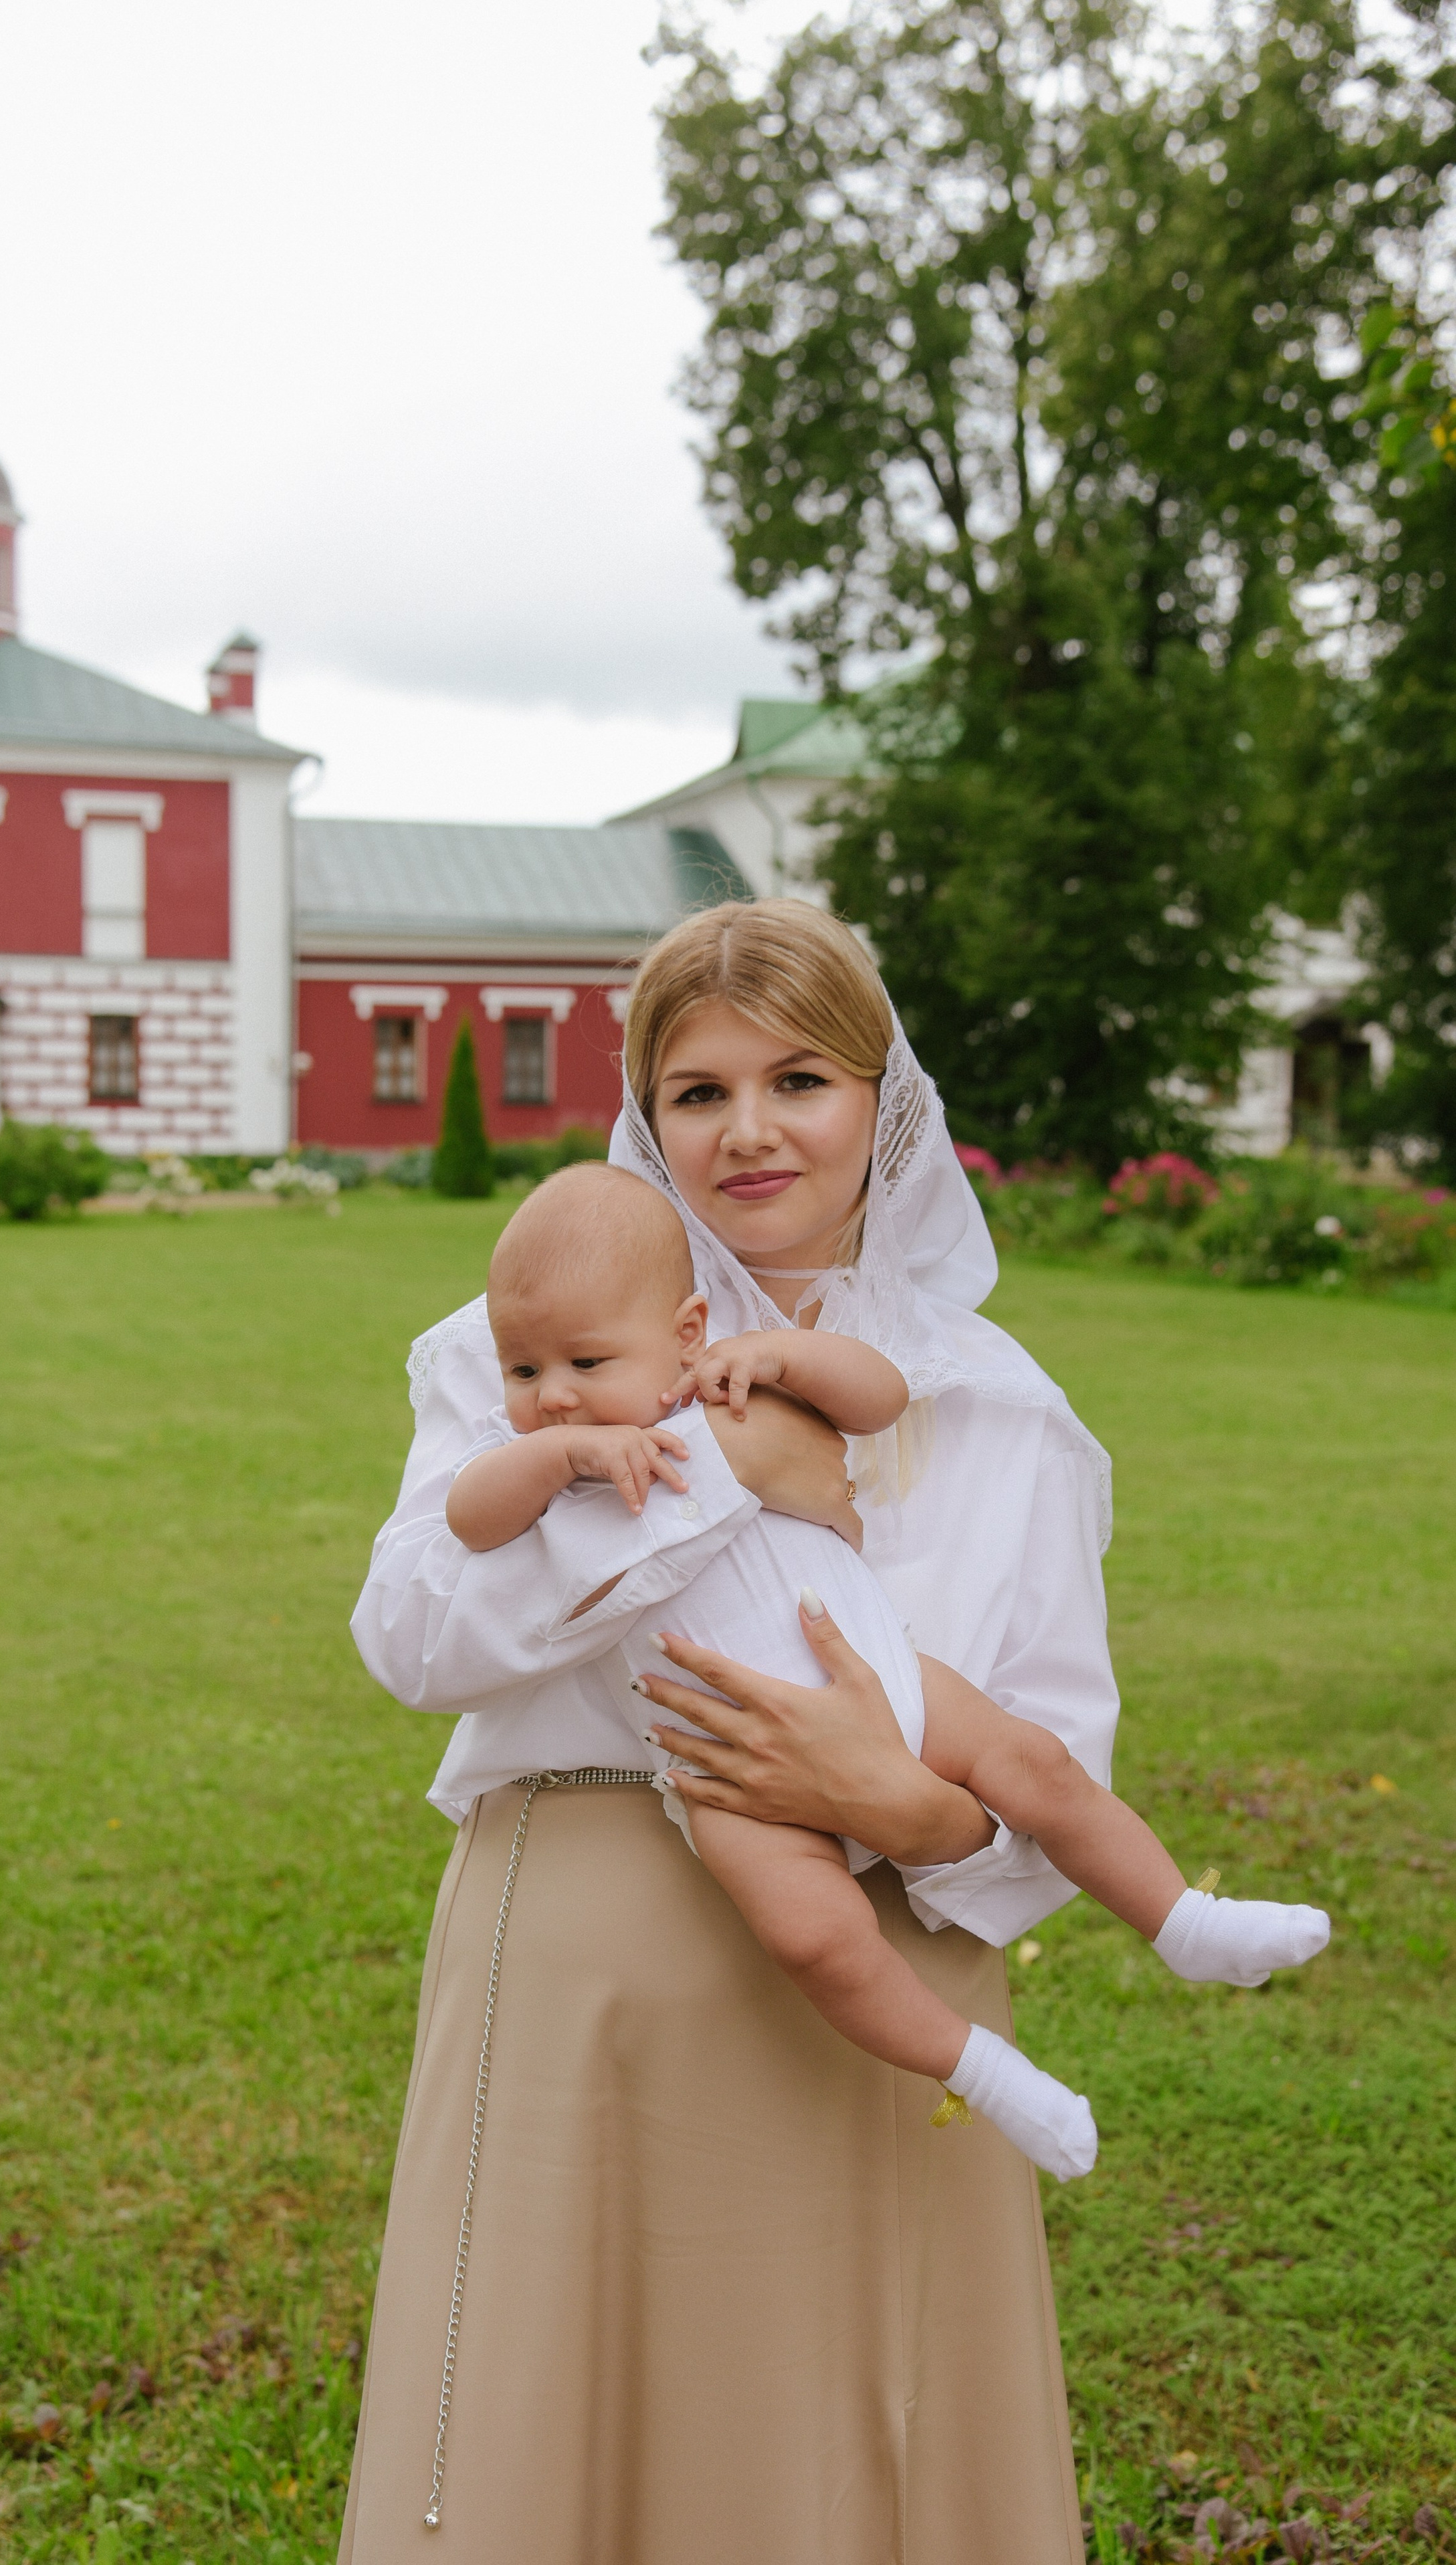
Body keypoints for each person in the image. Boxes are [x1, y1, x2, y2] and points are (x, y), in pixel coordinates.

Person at [340, 899, 1182, 2563]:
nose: (746, 1130)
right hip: (586, 1953)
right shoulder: (513, 1345)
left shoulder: (997, 1405)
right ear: (644, 1113)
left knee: (850, 2424)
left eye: (797, 1077)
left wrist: (909, 1807)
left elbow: (1051, 1737)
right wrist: (734, 1479)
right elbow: (416, 1635)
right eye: (695, 1089)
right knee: (556, 2419)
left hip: (886, 1965)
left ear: (884, 1097)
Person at [441, 1160, 1327, 2184]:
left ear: (686, 1334)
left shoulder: (727, 1388)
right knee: (817, 1941)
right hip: (726, 1763)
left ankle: (1185, 1921)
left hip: (893, 1681)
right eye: (521, 1372)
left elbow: (881, 1395)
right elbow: (469, 1515)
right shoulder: (560, 1469)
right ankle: (986, 2072)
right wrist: (564, 1460)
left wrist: (779, 1354)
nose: (552, 1397)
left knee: (1036, 1767)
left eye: (585, 1361)